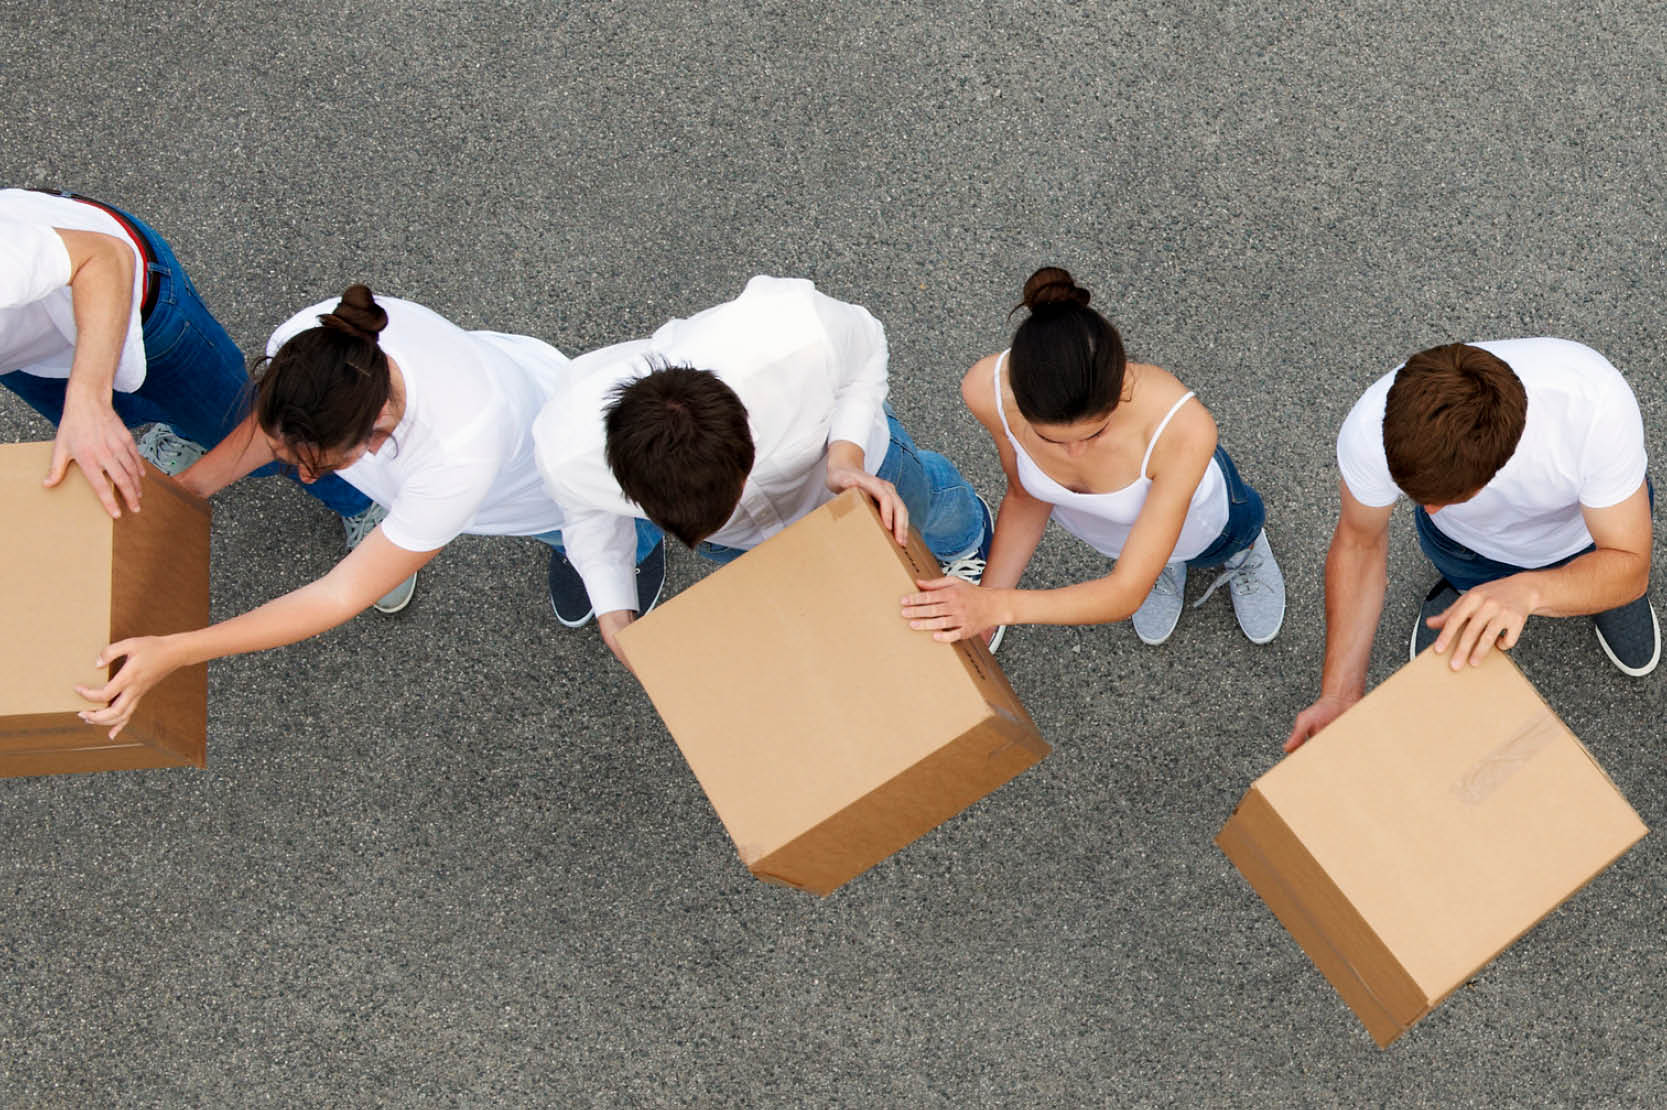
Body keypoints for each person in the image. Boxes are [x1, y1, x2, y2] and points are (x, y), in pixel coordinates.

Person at [73, 285, 651, 737]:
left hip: (544, 480)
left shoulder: (459, 458)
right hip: (511, 378)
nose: (301, 477)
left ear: (376, 438)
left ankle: (640, 557)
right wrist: (190, 490)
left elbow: (339, 594)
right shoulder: (312, 341)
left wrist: (175, 651)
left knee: (585, 523)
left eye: (317, 466)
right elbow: (269, 428)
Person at [533, 274, 993, 666]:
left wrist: (846, 456)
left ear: (745, 447)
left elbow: (868, 345)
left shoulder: (796, 333)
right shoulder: (566, 453)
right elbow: (587, 515)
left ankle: (969, 537)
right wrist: (614, 610)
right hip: (741, 547)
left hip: (866, 471)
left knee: (928, 507)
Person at [1285, 338, 1655, 753]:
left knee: (1619, 579)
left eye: (1450, 497)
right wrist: (1339, 693)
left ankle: (1603, 598)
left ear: (1504, 460)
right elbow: (1358, 544)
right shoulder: (1373, 427)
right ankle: (1469, 592)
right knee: (1464, 566)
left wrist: (1530, 591)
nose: (1429, 509)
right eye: (1416, 495)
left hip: (1590, 542)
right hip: (1468, 551)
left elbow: (1628, 560)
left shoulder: (1594, 408)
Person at [899, 267, 1284, 651]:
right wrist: (985, 604)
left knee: (1230, 538)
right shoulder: (987, 392)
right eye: (1049, 439)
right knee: (1142, 554)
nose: (1075, 453)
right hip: (1112, 533)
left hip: (1209, 522)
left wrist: (996, 605)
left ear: (1122, 388)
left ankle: (1244, 552)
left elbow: (1124, 593)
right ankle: (1156, 561)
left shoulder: (1185, 431)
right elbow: (1025, 496)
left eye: (1095, 433)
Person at [0, 187, 380, 562]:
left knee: (279, 433)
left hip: (128, 297)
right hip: (29, 351)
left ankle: (363, 501)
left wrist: (88, 398)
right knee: (119, 422)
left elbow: (102, 258)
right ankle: (187, 429)